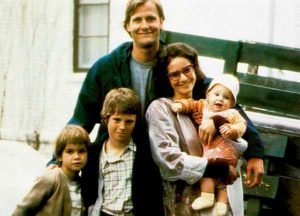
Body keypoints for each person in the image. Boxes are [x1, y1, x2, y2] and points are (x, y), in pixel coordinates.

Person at [49, 0, 263, 200]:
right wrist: (55, 160)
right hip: (116, 160)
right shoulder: (106, 68)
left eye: (151, 18)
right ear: (127, 26)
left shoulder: (174, 64)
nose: (145, 25)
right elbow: (80, 119)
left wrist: (255, 152)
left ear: (161, 22)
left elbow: (220, 99)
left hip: (158, 163)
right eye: (138, 20)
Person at [146, 42, 263, 215]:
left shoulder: (212, 102)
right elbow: (168, 160)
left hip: (223, 198)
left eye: (187, 70)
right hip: (186, 203)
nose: (184, 78)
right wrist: (217, 168)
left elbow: (239, 140)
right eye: (174, 75)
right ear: (166, 78)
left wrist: (218, 122)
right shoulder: (160, 108)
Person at [170, 74, 248, 215]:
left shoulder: (231, 113)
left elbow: (241, 125)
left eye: (226, 97)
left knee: (215, 176)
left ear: (232, 103)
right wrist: (180, 106)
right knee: (215, 177)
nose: (220, 99)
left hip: (225, 151)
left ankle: (214, 200)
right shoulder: (202, 105)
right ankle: (216, 203)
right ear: (208, 95)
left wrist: (233, 130)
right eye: (216, 94)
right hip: (210, 151)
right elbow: (190, 104)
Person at [80, 87, 164, 216]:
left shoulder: (145, 153)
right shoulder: (94, 152)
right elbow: (87, 189)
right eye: (117, 120)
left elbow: (154, 193)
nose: (122, 127)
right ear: (106, 118)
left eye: (129, 121)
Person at [13, 125, 90, 216]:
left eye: (81, 151)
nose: (77, 156)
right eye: (70, 151)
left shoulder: (84, 184)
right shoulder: (50, 179)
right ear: (60, 156)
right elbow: (22, 210)